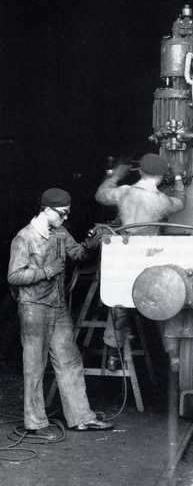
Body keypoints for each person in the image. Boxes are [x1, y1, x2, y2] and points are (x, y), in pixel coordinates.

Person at [7, 188, 113, 439]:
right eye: (62, 213)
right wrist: (46, 271)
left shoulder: (60, 232)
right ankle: (35, 423)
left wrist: (92, 243)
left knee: (70, 360)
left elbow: (78, 254)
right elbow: (14, 275)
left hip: (58, 306)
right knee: (34, 366)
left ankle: (81, 417)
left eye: (67, 214)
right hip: (34, 309)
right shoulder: (25, 238)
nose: (65, 218)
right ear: (46, 210)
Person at [94, 152, 185, 370]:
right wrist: (178, 177)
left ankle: (113, 355)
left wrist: (116, 175)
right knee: (166, 301)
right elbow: (181, 203)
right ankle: (173, 356)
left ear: (141, 171)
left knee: (119, 303)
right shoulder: (161, 200)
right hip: (149, 256)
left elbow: (100, 195)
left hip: (125, 255)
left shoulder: (124, 192)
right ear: (161, 177)